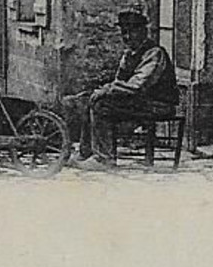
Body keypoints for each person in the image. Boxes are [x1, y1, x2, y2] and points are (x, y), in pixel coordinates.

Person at [62, 9, 178, 169]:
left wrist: (107, 90)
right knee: (90, 99)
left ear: (143, 31)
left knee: (101, 105)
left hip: (159, 104)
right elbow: (120, 82)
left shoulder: (154, 53)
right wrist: (102, 91)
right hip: (140, 102)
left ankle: (103, 159)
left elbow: (137, 86)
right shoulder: (129, 54)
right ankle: (85, 152)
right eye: (124, 33)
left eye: (132, 32)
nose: (127, 37)